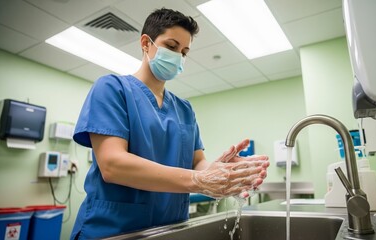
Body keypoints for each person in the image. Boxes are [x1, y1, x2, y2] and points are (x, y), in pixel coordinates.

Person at [70, 8, 270, 239]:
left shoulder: (184, 109)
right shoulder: (112, 89)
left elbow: (198, 163)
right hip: (114, 230)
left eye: (184, 51)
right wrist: (198, 181)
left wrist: (221, 172)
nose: (178, 57)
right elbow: (112, 165)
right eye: (172, 46)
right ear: (146, 43)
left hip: (171, 229)